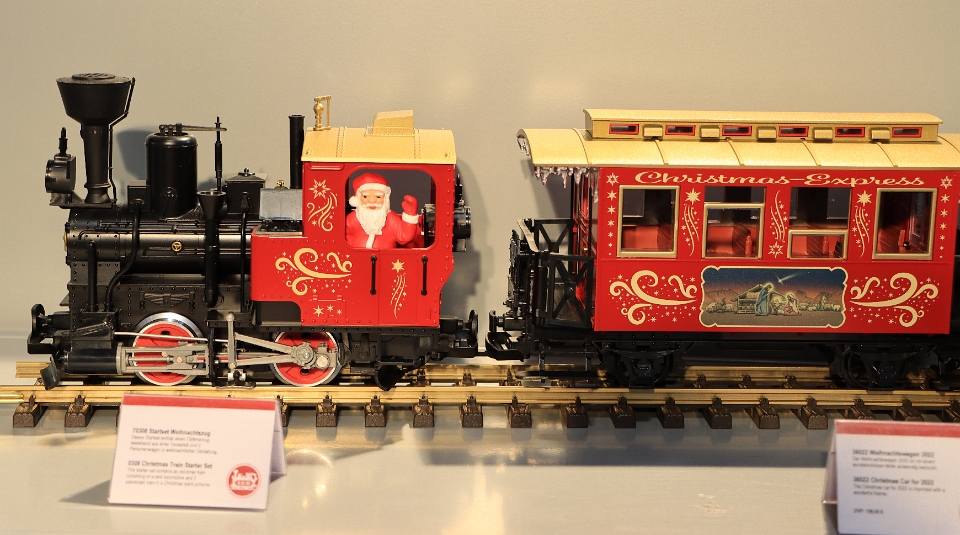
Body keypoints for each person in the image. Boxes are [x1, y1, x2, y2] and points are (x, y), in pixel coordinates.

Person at [345, 173, 419, 249]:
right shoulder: (351, 219)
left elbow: (404, 237)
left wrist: (410, 214)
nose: (372, 200)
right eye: (365, 196)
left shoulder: (391, 219)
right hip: (355, 256)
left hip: (385, 256)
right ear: (358, 198)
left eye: (378, 196)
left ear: (385, 198)